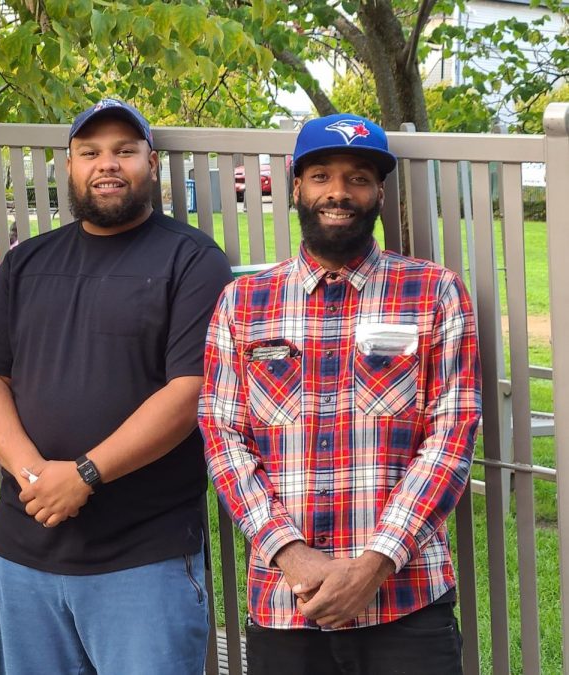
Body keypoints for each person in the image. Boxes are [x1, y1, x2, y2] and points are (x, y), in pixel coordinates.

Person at [199, 113, 481, 674]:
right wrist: (291, 554)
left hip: (407, 601)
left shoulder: (433, 291)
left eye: (357, 178)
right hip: (286, 601)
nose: (338, 193)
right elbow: (223, 436)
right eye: (322, 175)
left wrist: (375, 565)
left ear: (378, 192)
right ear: (296, 185)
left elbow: (452, 436)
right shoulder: (243, 302)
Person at [0, 99, 233, 675]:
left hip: (142, 559)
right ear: (69, 166)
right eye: (90, 153)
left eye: (123, 151)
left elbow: (189, 391)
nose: (106, 164)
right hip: (23, 555)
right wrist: (33, 473)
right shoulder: (26, 263)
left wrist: (86, 473)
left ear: (152, 163)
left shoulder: (191, 260)